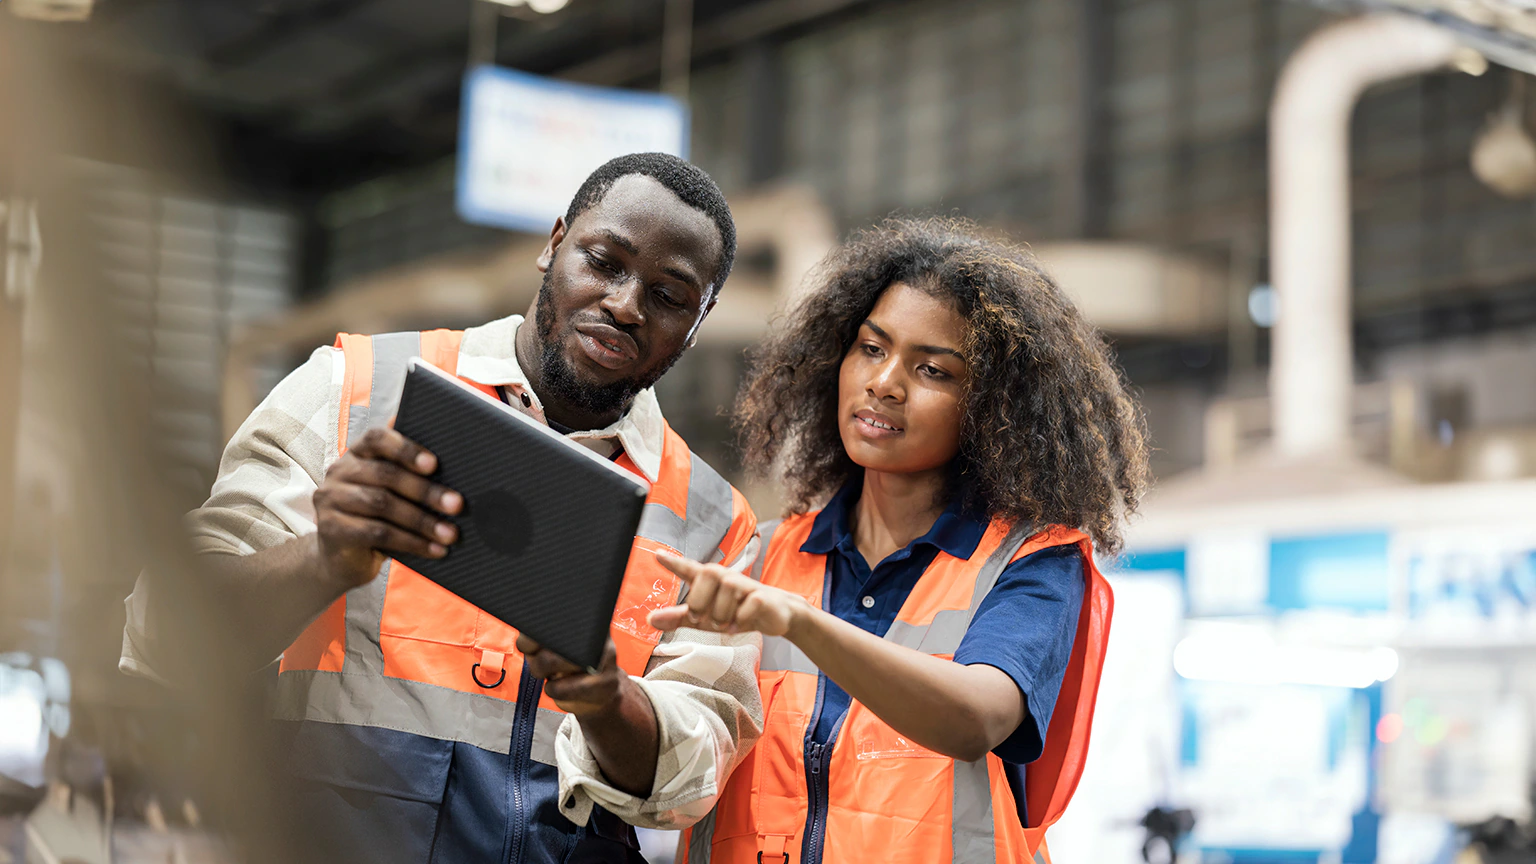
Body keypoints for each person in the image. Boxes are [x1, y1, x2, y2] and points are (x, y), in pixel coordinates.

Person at [119, 153, 766, 864]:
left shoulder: (712, 522)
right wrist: (323, 557)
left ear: (698, 324)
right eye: (605, 261)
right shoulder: (357, 393)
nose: (625, 304)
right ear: (554, 245)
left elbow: (692, 778)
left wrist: (608, 699)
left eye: (670, 296)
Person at [649, 218, 1151, 864]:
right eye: (871, 348)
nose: (885, 382)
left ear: (991, 408)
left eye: (933, 371)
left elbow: (976, 719)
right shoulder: (762, 554)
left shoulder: (1031, 565)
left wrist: (799, 622)